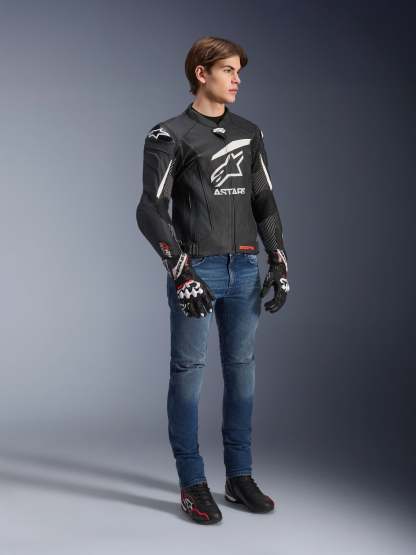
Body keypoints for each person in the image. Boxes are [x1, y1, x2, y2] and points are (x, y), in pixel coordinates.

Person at [136, 36, 290, 525]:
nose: (237, 79)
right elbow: (150, 209)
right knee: (188, 374)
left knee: (242, 373)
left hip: (244, 269)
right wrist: (179, 270)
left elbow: (263, 200)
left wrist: (279, 258)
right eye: (228, 70)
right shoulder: (169, 134)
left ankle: (239, 476)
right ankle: (192, 482)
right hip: (197, 269)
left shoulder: (249, 132)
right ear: (201, 74)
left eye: (239, 71)